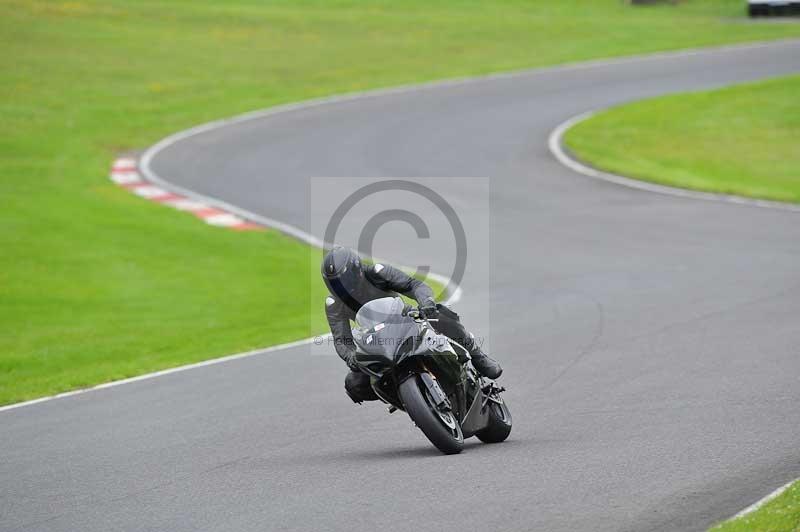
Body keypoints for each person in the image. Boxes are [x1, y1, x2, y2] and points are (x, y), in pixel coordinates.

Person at [321, 246, 502, 404]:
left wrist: (426, 303)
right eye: (334, 284)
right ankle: (408, 398)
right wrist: (351, 356)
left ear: (357, 270)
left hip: (405, 320)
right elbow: (341, 339)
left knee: (439, 314)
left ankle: (478, 356)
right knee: (354, 384)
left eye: (343, 280)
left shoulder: (377, 273)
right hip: (376, 341)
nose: (340, 287)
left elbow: (413, 284)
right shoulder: (334, 304)